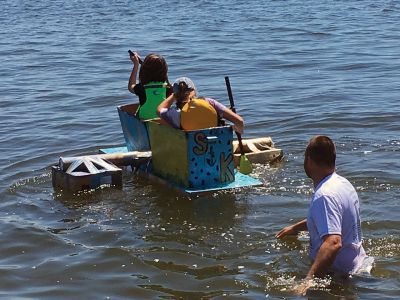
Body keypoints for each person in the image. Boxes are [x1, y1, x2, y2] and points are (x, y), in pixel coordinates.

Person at [276, 135, 368, 295]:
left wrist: (309, 280)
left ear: (309, 160)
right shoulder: (342, 183)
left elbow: (333, 242)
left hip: (341, 276)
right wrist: (296, 228)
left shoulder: (324, 195)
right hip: (359, 264)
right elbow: (331, 220)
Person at [156, 77, 244, 133]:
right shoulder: (210, 103)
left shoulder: (175, 114)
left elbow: (159, 110)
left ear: (175, 95)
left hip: (192, 155)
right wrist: (236, 130)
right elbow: (239, 121)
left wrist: (173, 96)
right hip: (219, 153)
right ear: (194, 90)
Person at [128, 52, 172, 120]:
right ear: (165, 71)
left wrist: (136, 65)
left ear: (144, 72)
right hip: (163, 121)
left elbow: (131, 86)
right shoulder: (169, 88)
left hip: (145, 119)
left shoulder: (142, 88)